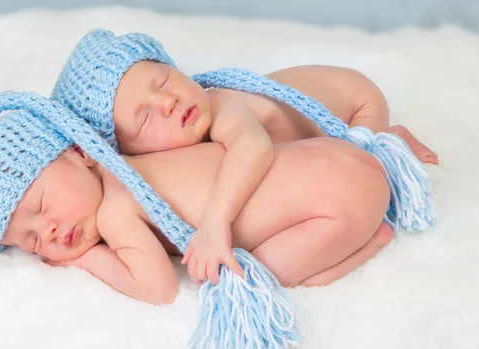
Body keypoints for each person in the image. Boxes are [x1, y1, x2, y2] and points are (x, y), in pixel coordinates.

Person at [51, 29, 437, 288]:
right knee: (278, 264)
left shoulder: (219, 104)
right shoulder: (172, 156)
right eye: (145, 117)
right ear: (127, 155)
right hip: (318, 158)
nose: (167, 102)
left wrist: (215, 223)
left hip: (353, 103)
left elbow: (254, 150)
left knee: (284, 267)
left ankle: (389, 142)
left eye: (164, 81)